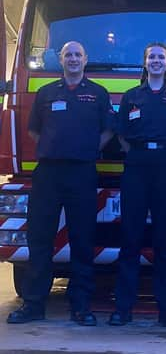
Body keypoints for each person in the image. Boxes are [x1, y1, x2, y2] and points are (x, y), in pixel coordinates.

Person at [7, 41, 115, 326]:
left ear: (85, 59)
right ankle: (33, 304)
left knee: (82, 239)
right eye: (68, 55)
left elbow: (108, 131)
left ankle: (81, 306)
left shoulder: (98, 94)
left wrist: (88, 150)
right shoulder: (45, 93)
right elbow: (33, 131)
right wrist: (55, 149)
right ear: (61, 59)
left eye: (78, 54)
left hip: (82, 173)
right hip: (49, 174)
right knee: (39, 239)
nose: (73, 59)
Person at [108, 42, 166, 327]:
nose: (156, 61)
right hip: (137, 166)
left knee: (164, 241)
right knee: (130, 239)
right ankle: (123, 308)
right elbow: (120, 133)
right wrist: (137, 155)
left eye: (160, 57)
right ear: (145, 63)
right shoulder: (132, 96)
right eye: (151, 57)